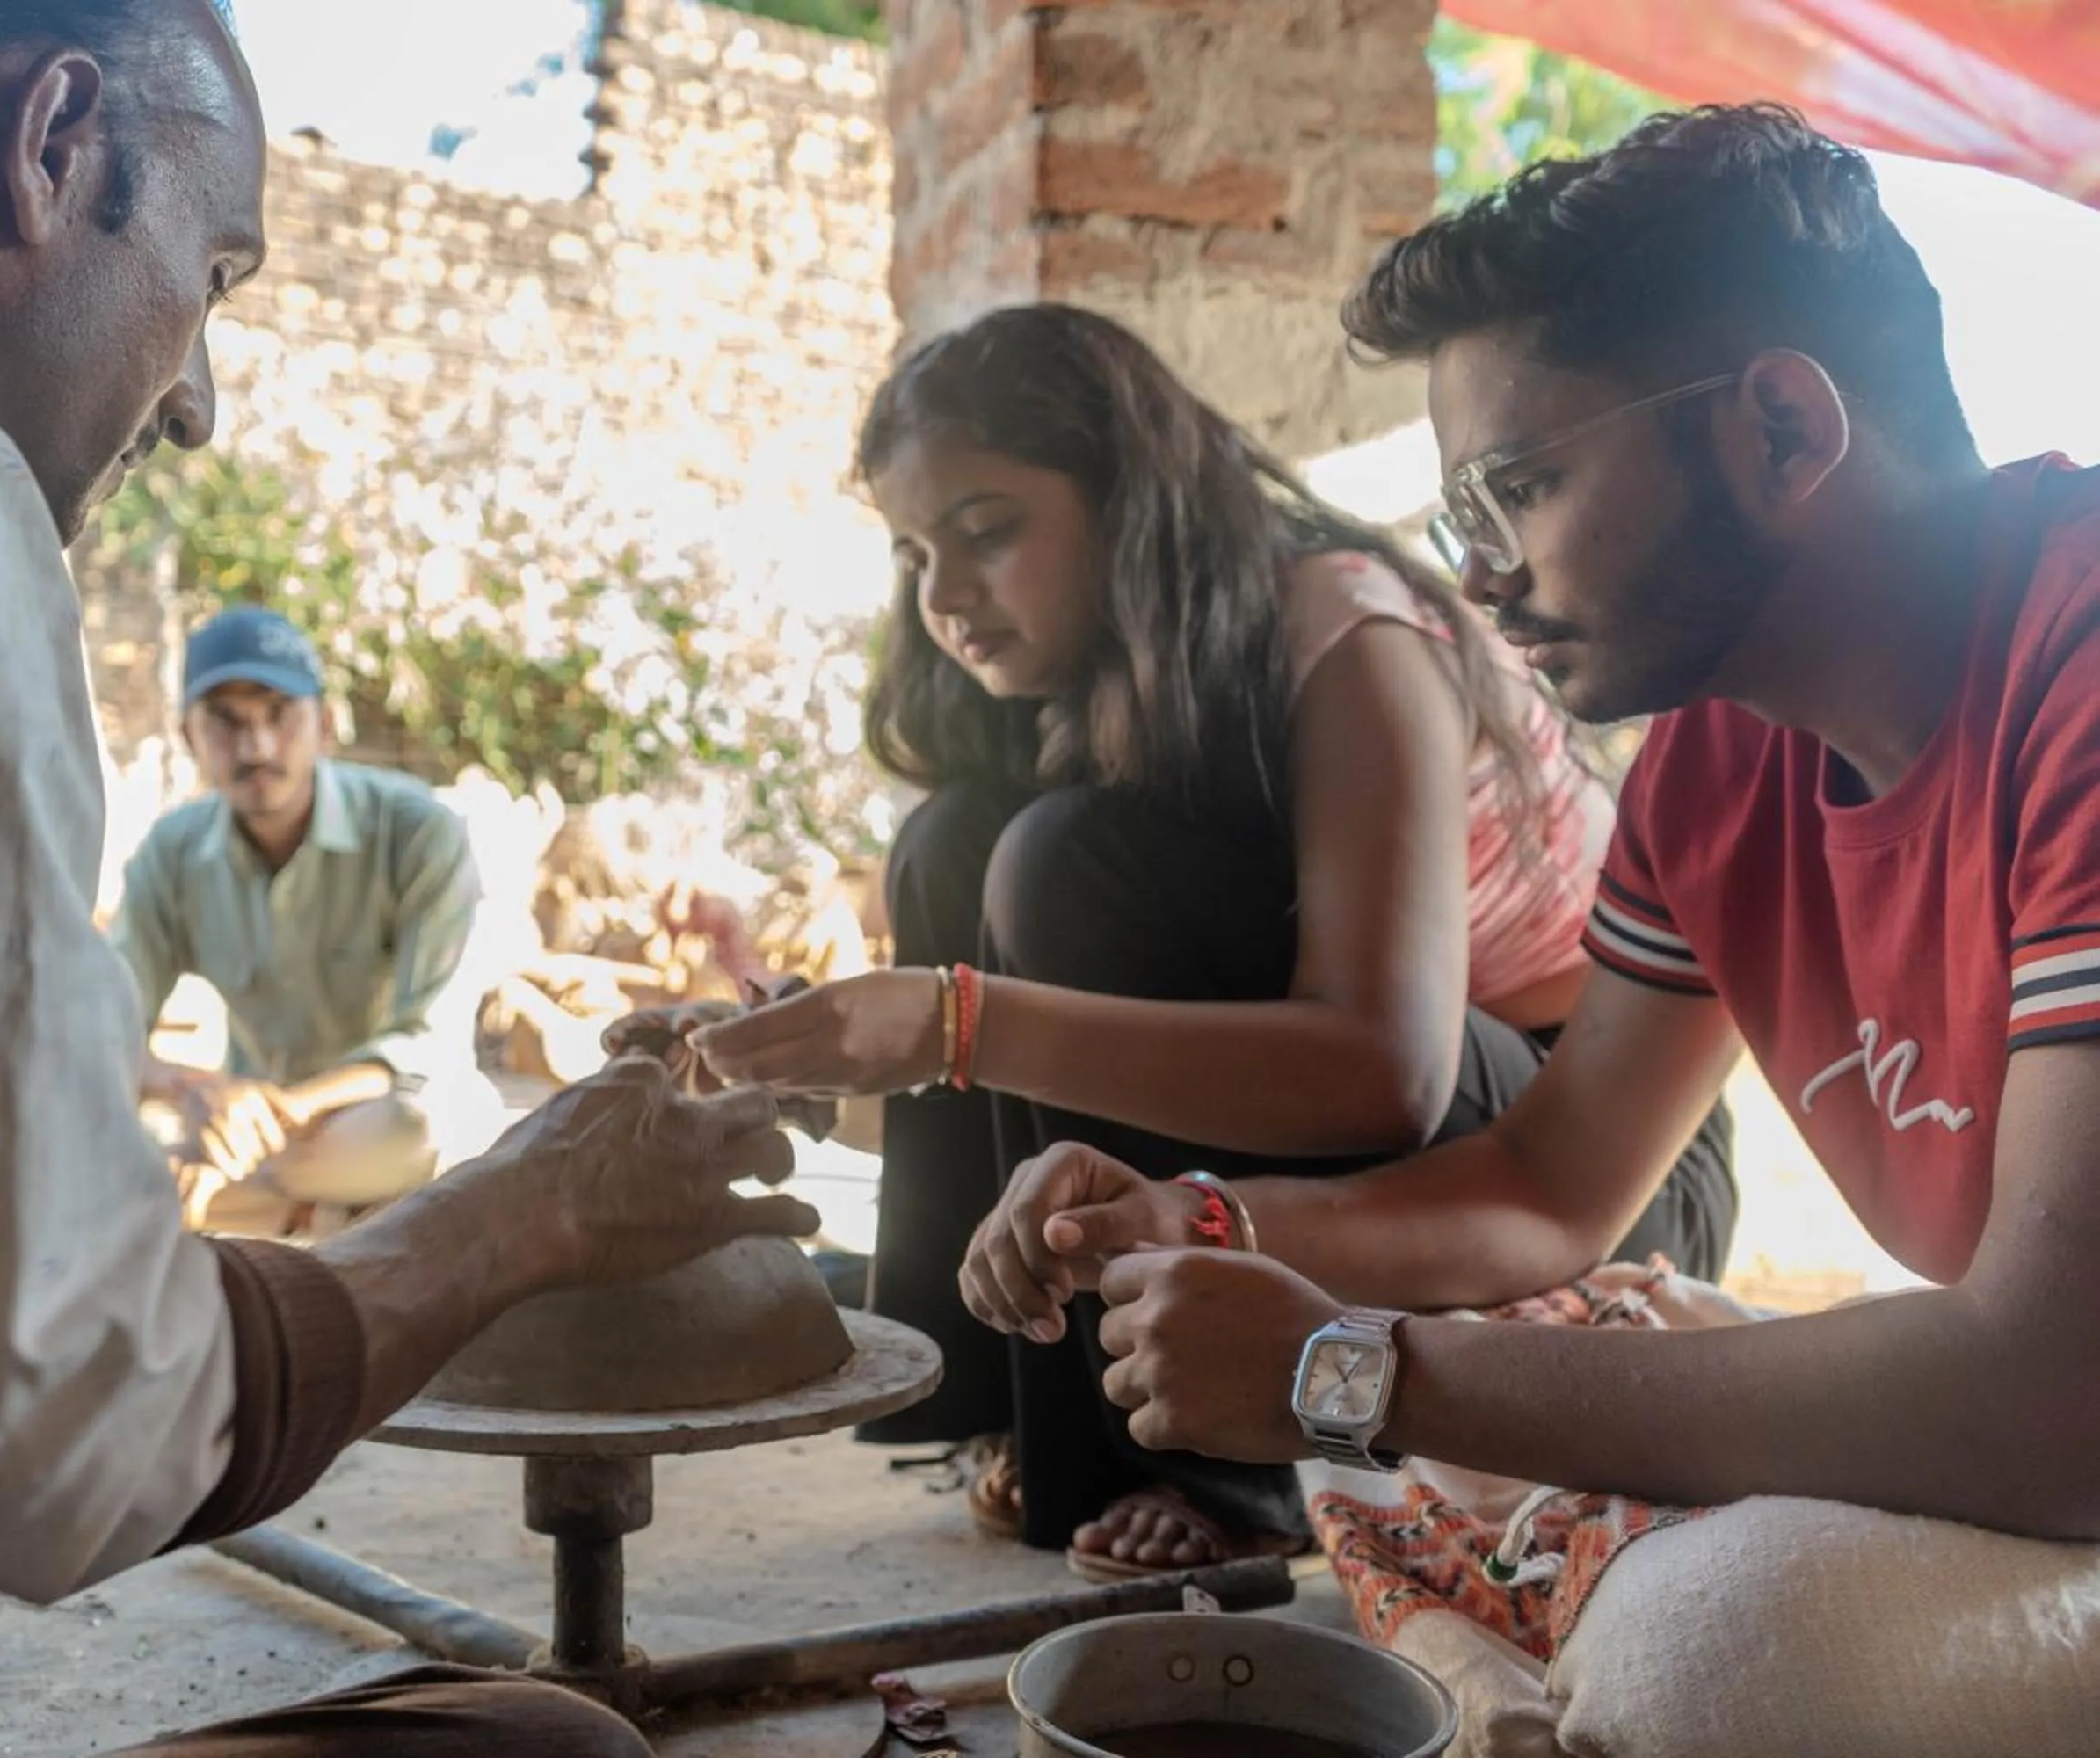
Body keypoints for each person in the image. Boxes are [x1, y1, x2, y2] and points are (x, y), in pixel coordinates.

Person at [0, 3, 817, 1754]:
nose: (195, 396)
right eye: (215, 266)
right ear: (54, 146)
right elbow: (60, 1416)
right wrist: (534, 1207)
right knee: (551, 1746)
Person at [963, 105, 2100, 1749]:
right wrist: (1199, 1223)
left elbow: (2057, 1399)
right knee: (1561, 1391)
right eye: (1462, 519)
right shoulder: (1722, 761)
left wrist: (1353, 1374)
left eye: (1521, 486)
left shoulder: (2076, 665)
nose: (1481, 578)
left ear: (1782, 429)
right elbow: (1547, 1185)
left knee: (1725, 1656)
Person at [618, 304, 1736, 1580]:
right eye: (915, 552)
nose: (945, 595)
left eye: (987, 533)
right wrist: (817, 1057)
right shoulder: (1117, 683)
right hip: (1413, 1144)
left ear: (1129, 501)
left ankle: (1226, 1460)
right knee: (957, 840)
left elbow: (1386, 1069)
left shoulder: (1349, 631)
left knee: (1060, 864)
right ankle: (994, 1374)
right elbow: (1056, 1062)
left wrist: (949, 1021)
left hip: (1591, 1155)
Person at [113, 605, 498, 1236]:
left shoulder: (417, 831)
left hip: (365, 1122)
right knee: (69, 1124)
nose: (256, 747)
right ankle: (313, 1211)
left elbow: (426, 1044)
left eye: (279, 715)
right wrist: (191, 1089)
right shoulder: (172, 853)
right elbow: (107, 1025)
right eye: (226, 722)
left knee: (428, 1126)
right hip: (244, 1129)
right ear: (189, 736)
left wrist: (279, 1115)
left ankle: (225, 1198)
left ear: (324, 724)